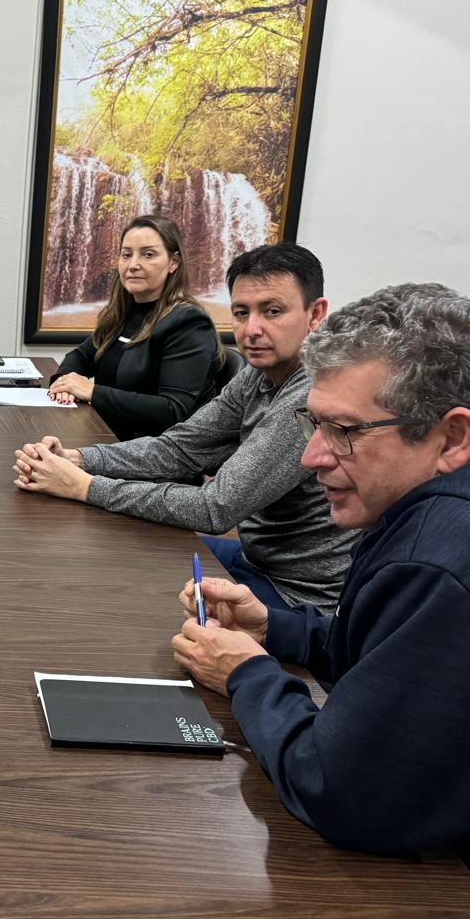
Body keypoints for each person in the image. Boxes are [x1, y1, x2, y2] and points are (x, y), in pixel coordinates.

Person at [171, 284, 470, 863]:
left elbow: (340, 792)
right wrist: (276, 629)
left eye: (345, 431)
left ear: (451, 438)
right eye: (314, 423)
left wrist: (246, 673)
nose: (313, 457)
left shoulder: (436, 565)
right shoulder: (421, 514)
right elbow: (385, 648)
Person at [13, 242, 357, 611]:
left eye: (273, 311)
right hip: (253, 559)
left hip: (295, 596)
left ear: (315, 313)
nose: (252, 330)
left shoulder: (312, 394)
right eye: (241, 313)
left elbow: (215, 508)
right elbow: (178, 449)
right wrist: (79, 459)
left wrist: (85, 487)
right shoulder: (258, 375)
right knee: (116, 553)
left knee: (121, 596)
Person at [47, 214, 224, 440]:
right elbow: (80, 357)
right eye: (126, 254)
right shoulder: (123, 314)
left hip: (154, 451)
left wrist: (92, 391)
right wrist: (64, 383)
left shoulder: (189, 323)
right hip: (108, 437)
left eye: (148, 255)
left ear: (173, 263)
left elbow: (173, 410)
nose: (133, 265)